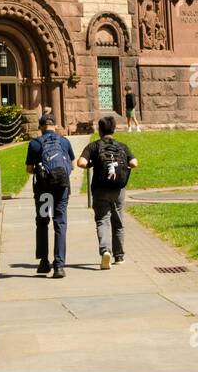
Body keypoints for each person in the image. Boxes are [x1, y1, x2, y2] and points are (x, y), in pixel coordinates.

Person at [76, 116, 138, 269]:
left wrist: (91, 164)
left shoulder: (94, 146)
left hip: (100, 189)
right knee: (118, 222)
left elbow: (81, 162)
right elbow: (134, 163)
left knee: (102, 220)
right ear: (114, 129)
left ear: (100, 130)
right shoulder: (122, 146)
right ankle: (119, 256)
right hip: (118, 189)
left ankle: (105, 251)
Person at [25, 111, 72, 278]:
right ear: (56, 126)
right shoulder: (64, 142)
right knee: (60, 223)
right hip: (61, 188)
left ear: (40, 127)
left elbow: (30, 169)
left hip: (44, 190)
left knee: (43, 223)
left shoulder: (35, 144)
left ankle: (44, 262)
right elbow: (71, 166)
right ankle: (59, 266)